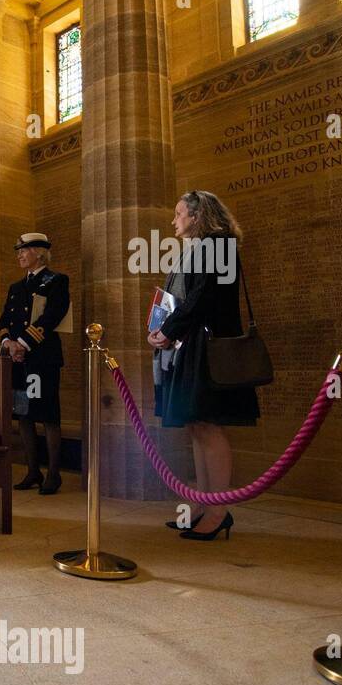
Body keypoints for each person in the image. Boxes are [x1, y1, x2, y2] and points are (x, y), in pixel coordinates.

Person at [148, 190, 259, 541]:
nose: (173, 220)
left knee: (209, 427)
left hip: (207, 347)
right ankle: (202, 504)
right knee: (197, 426)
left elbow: (204, 299)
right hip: (191, 344)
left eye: (179, 213)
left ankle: (218, 511)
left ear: (196, 216)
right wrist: (164, 326)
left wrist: (168, 329)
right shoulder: (200, 247)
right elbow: (187, 298)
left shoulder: (220, 245)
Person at [0, 233, 71, 495]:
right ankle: (33, 471)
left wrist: (23, 344)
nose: (19, 254)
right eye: (18, 250)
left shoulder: (56, 281)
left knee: (49, 416)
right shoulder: (16, 287)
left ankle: (53, 474)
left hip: (43, 359)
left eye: (24, 250)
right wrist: (8, 344)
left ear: (39, 253)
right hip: (18, 361)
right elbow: (3, 320)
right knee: (24, 415)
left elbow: (53, 316)